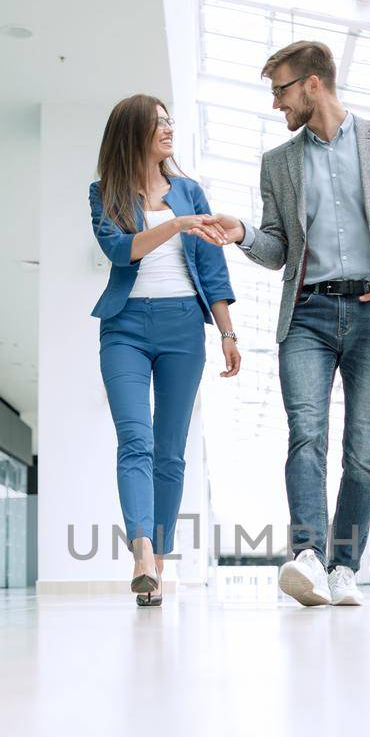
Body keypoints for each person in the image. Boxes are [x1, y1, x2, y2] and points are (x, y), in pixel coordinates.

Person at [205, 40, 370, 607]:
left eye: (281, 90)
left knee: (362, 450)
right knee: (306, 435)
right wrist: (242, 234)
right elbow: (279, 249)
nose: (276, 104)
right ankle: (307, 556)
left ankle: (344, 567)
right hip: (306, 314)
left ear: (313, 84)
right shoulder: (279, 163)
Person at [89, 95, 240, 605]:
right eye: (158, 123)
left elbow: (213, 269)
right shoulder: (105, 193)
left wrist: (226, 332)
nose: (169, 129)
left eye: (169, 121)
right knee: (136, 439)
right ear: (133, 132)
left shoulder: (190, 190)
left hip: (182, 327)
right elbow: (118, 249)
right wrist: (175, 223)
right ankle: (141, 552)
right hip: (125, 325)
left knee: (170, 451)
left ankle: (157, 562)